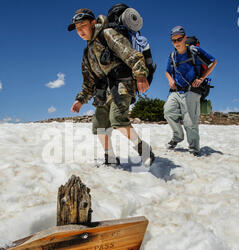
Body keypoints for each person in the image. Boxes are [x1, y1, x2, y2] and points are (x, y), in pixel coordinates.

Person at [68, 8, 155, 166]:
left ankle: (144, 150)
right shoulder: (87, 52)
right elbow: (89, 81)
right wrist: (80, 100)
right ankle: (110, 158)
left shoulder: (107, 34)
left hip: (122, 83)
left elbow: (128, 53)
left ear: (93, 23)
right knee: (100, 125)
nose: (80, 30)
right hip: (102, 90)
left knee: (117, 119)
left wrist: (141, 74)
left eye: (83, 25)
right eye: (77, 28)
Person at [164, 26, 217, 156]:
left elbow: (213, 62)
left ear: (185, 38)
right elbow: (167, 71)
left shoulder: (194, 51)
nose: (177, 42)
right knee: (168, 112)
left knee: (190, 122)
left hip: (192, 91)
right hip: (176, 91)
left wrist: (201, 78)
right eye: (174, 40)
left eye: (179, 39)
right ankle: (178, 136)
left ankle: (194, 149)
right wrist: (170, 80)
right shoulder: (172, 56)